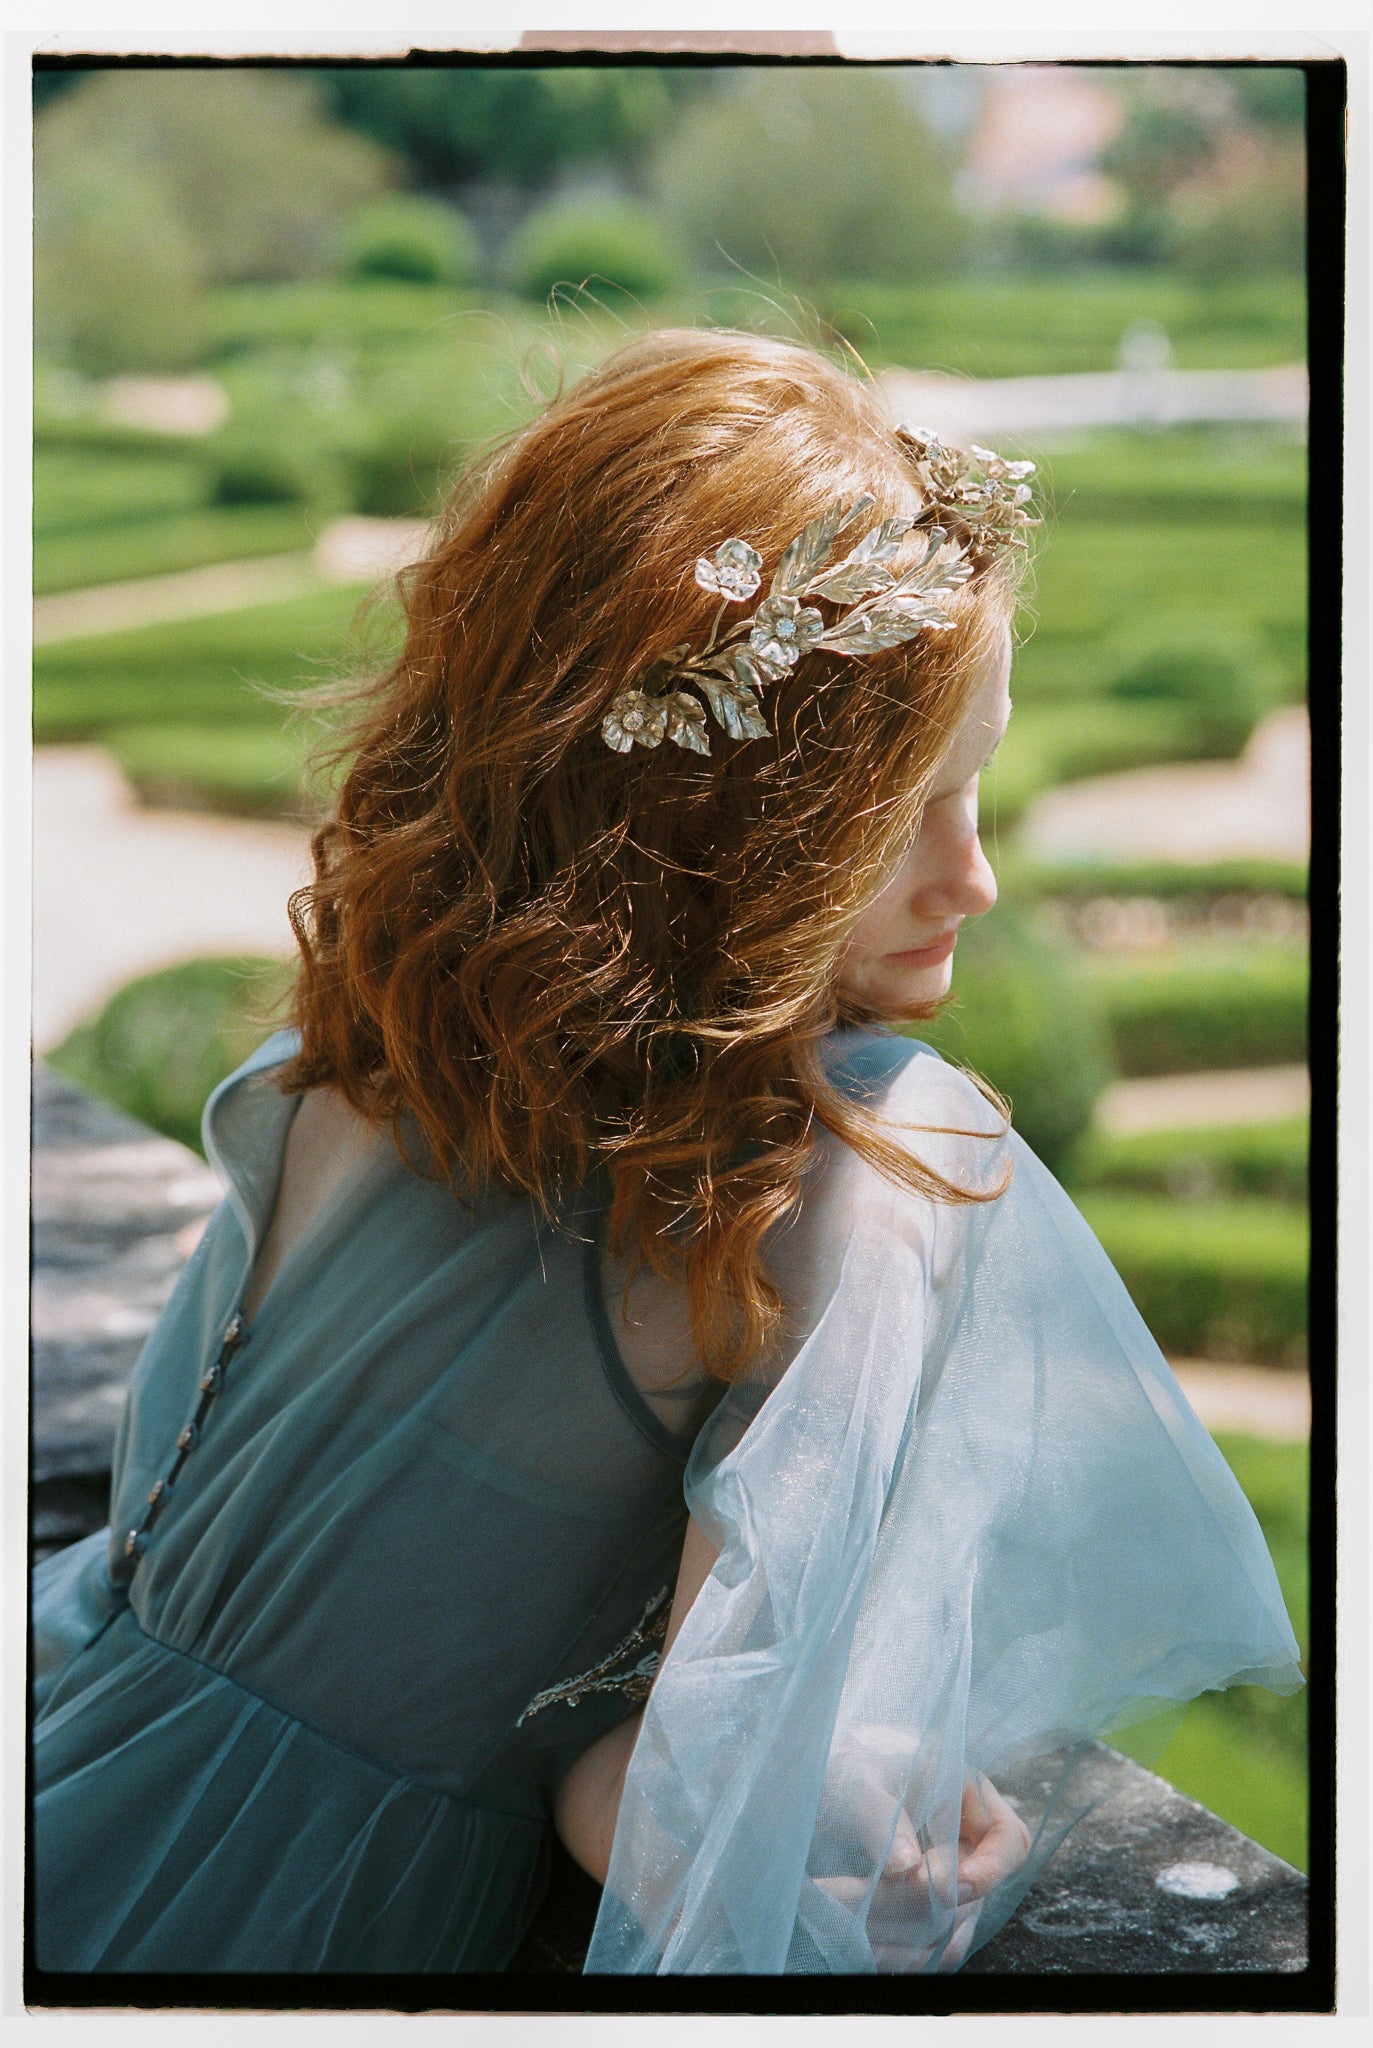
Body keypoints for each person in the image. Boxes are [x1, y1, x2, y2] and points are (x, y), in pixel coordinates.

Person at [30, 329, 1302, 1979]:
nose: (972, 878)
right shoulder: (854, 1174)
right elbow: (703, 1834)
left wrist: (557, 1739)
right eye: (906, 810)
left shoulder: (357, 1052)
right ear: (714, 830)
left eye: (973, 790)